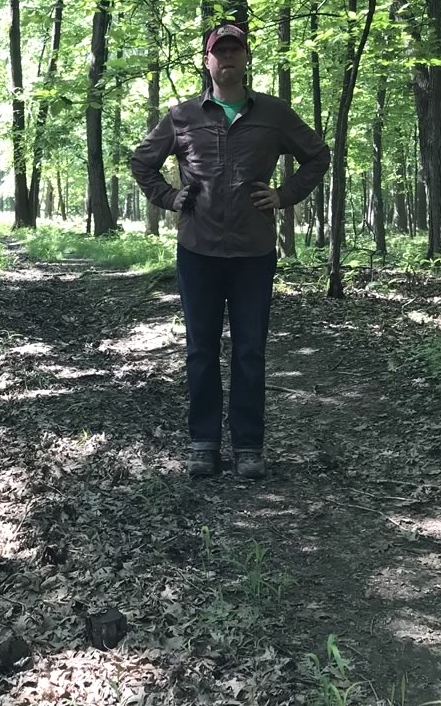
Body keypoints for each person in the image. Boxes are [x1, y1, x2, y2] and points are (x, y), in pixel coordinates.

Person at [130, 24, 330, 480]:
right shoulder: (182, 116)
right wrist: (168, 196)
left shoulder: (274, 114)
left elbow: (318, 156)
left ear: (246, 59)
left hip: (253, 253)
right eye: (219, 53)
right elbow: (143, 162)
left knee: (249, 351)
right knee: (201, 349)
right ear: (207, 62)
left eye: (235, 51)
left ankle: (248, 447)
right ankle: (203, 444)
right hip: (197, 250)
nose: (228, 59)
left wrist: (284, 195)